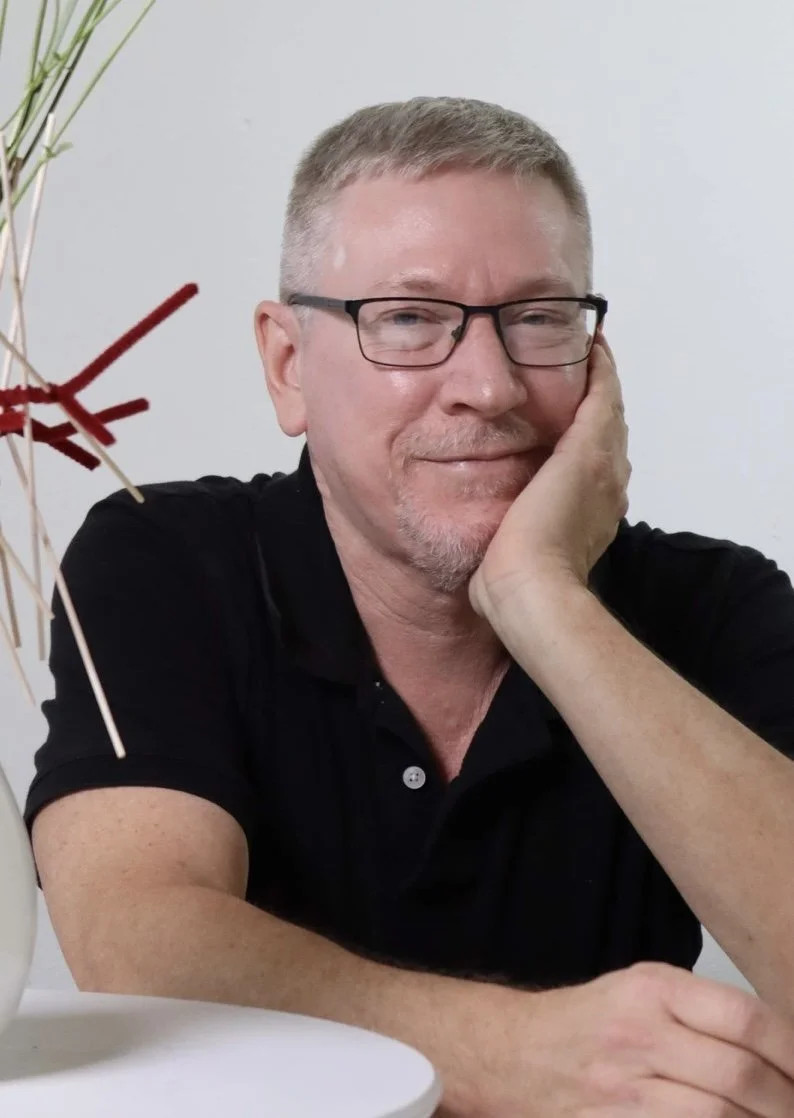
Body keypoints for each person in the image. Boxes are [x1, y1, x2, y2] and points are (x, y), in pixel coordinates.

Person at [25, 96, 794, 1116]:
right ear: (287, 364)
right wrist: (508, 1053)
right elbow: (139, 940)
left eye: (537, 318)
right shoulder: (162, 558)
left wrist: (541, 599)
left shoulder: (714, 603)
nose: (486, 384)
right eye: (407, 319)